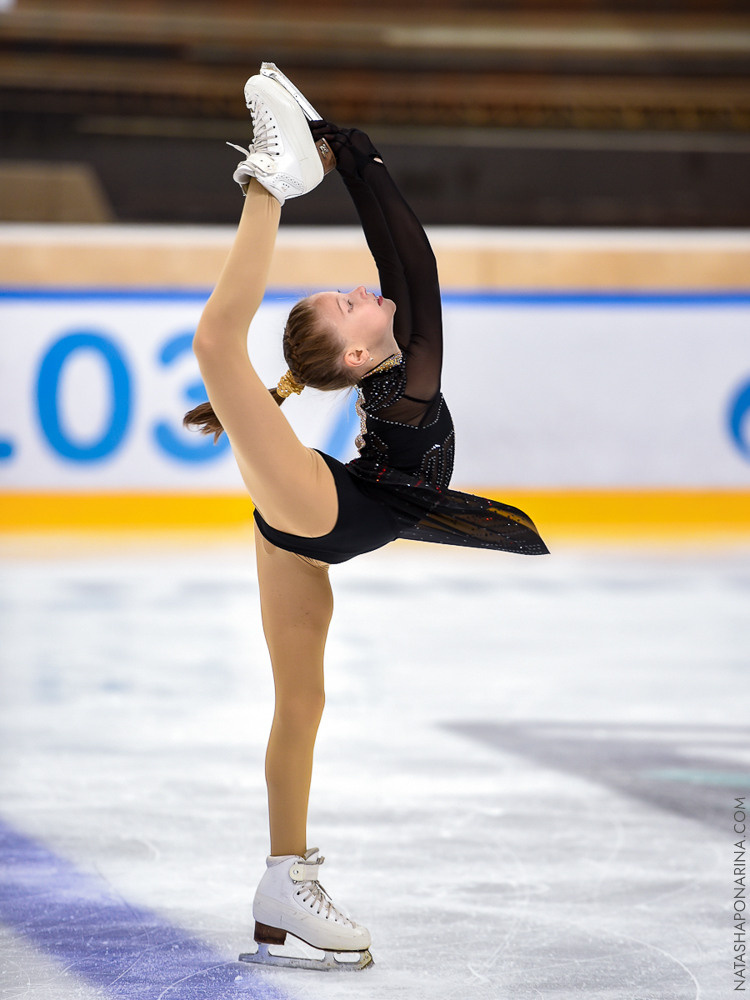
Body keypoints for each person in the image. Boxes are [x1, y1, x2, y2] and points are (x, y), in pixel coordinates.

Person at [185, 65, 548, 972]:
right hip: (323, 507)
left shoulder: (393, 384)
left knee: (301, 702)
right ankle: (263, 175)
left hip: (315, 519)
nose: (361, 288)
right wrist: (309, 171)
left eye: (348, 292)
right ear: (354, 348)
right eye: (348, 300)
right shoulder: (404, 386)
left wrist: (350, 152)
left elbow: (400, 268)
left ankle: (281, 882)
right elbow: (412, 266)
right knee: (215, 347)